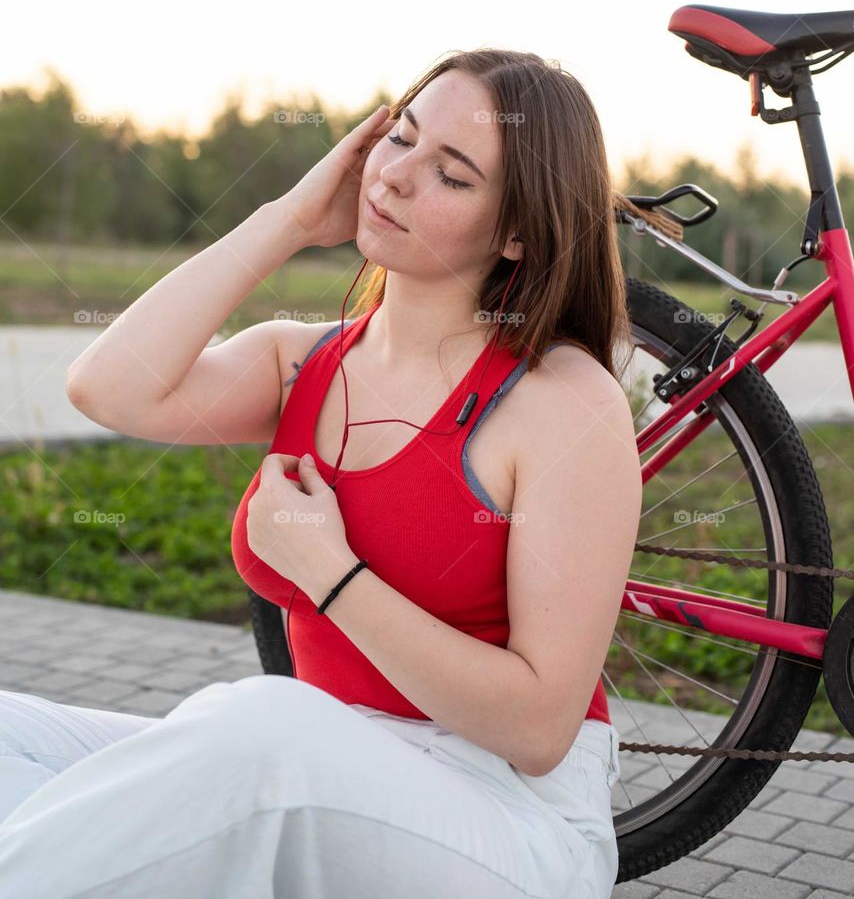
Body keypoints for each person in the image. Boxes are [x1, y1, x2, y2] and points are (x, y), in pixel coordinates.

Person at [0, 48, 641, 898]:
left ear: (517, 229)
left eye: (451, 175)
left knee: (263, 724)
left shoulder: (561, 402)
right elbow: (107, 388)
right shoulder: (301, 363)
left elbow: (538, 726)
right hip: (317, 762)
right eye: (399, 138)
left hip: (509, 817)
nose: (399, 178)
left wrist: (329, 574)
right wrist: (291, 218)